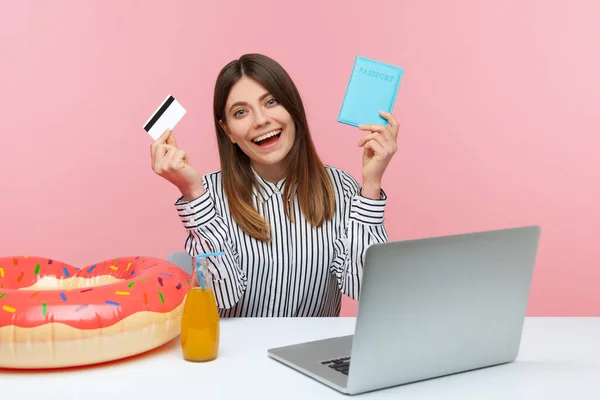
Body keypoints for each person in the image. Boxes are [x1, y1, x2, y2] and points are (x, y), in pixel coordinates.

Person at [150, 53, 399, 318]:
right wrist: (193, 195)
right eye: (241, 112)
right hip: (234, 357)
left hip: (309, 355)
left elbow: (366, 289)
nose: (260, 120)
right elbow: (222, 296)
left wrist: (371, 186)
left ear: (293, 110)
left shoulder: (340, 189)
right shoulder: (206, 195)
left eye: (271, 102)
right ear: (228, 131)